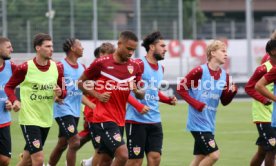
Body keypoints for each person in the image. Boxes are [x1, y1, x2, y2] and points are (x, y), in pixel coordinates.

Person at [78, 30, 145, 166]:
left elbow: (141, 92)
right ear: (119, 44)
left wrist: (137, 92)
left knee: (106, 160)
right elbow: (80, 83)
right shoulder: (101, 63)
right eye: (128, 49)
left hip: (120, 120)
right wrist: (97, 95)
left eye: (133, 50)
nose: (131, 53)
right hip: (103, 118)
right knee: (123, 155)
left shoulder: (135, 66)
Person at [5, 33, 66, 166]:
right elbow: (9, 87)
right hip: (29, 119)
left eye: (52, 46)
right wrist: (15, 100)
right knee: (38, 160)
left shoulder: (58, 67)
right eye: (48, 46)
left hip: (46, 119)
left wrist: (60, 93)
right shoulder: (25, 67)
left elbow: (63, 93)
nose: (52, 49)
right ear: (38, 48)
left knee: (26, 160)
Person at [177, 40, 237, 166]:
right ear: (213, 53)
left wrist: (231, 93)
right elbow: (180, 88)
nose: (226, 54)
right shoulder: (199, 71)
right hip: (198, 123)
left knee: (200, 158)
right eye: (223, 51)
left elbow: (224, 101)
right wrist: (196, 104)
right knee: (214, 155)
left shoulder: (225, 76)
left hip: (209, 123)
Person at [125, 31, 177, 166]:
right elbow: (124, 89)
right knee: (135, 161)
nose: (166, 49)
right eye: (162, 46)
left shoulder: (161, 68)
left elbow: (154, 91)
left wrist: (167, 100)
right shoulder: (137, 64)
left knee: (155, 158)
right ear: (152, 47)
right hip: (136, 120)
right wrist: (138, 106)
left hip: (155, 120)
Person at [47, 38, 94, 166]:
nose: (82, 48)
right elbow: (50, 84)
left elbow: (81, 93)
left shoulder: (82, 68)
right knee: (75, 142)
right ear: (73, 48)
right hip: (63, 110)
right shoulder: (60, 66)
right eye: (80, 45)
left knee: (62, 144)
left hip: (75, 111)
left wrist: (93, 104)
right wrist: (55, 95)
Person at [246, 39, 276, 166]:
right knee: (272, 149)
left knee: (262, 152)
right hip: (263, 115)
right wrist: (264, 100)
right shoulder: (263, 69)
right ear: (273, 51)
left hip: (272, 114)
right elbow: (249, 87)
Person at [0, 37, 15, 166]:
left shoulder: (11, 66)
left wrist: (12, 101)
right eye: (8, 47)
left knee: (5, 160)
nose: (12, 49)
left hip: (3, 121)